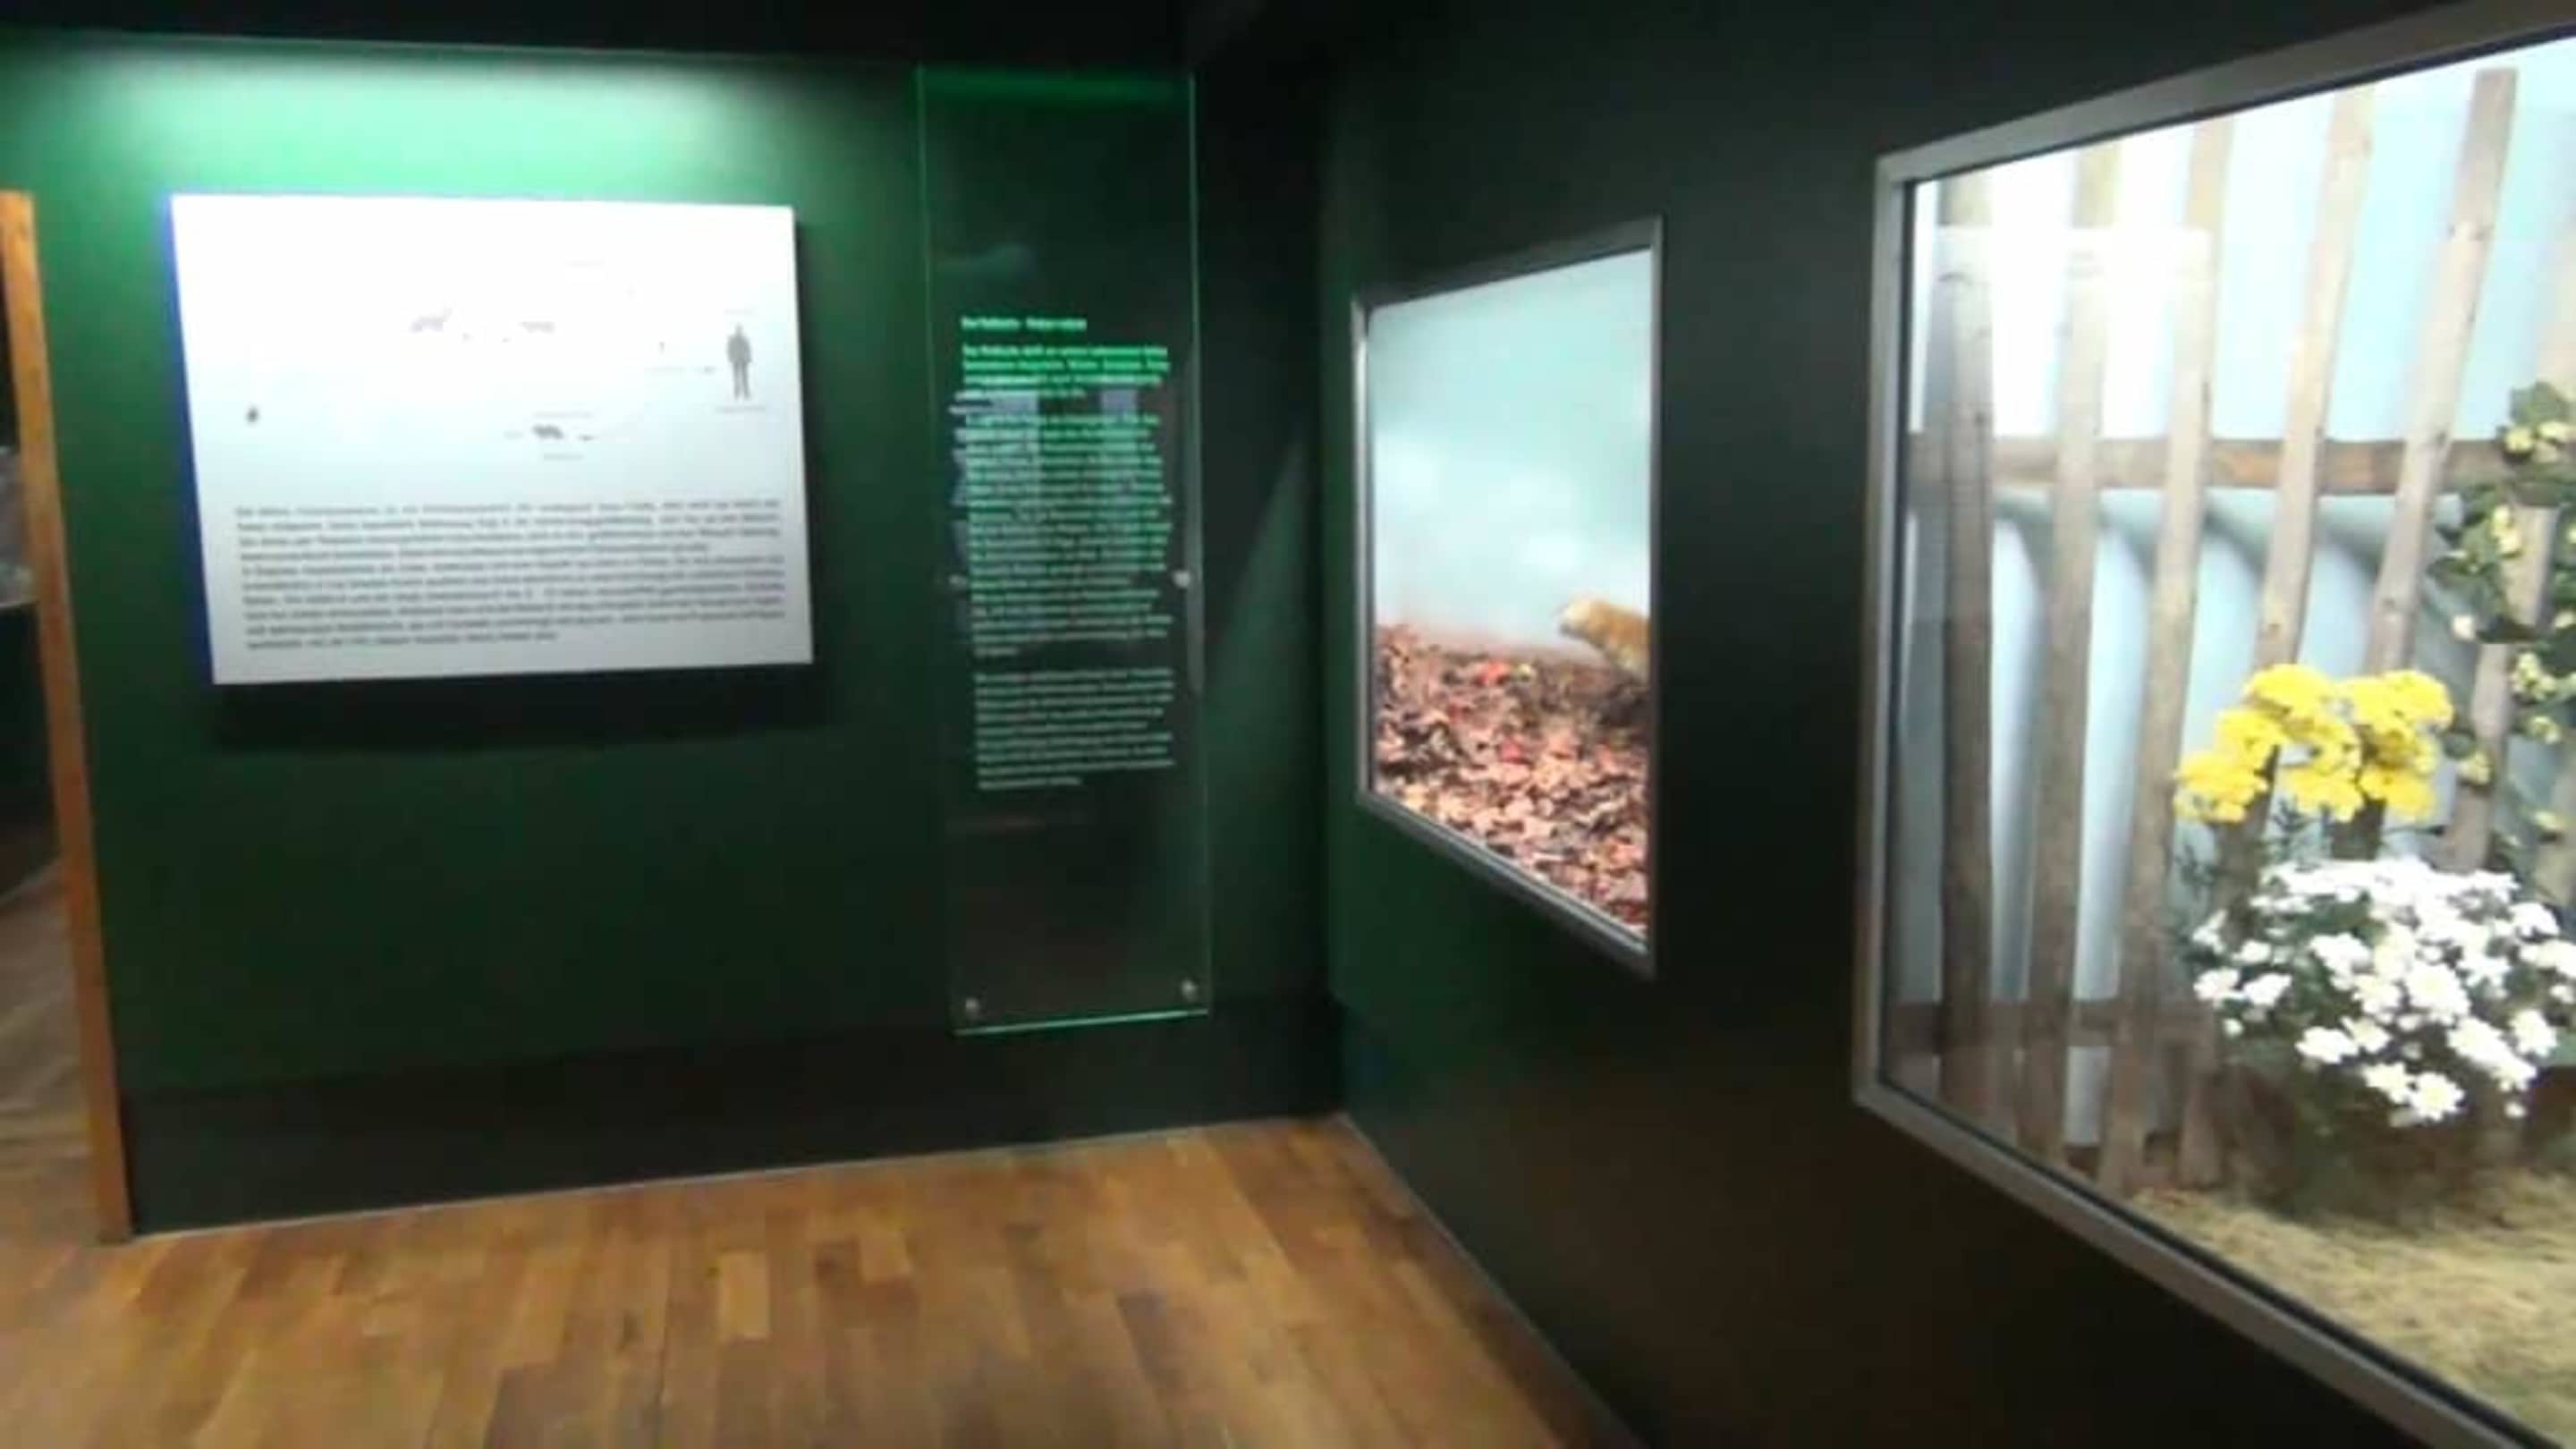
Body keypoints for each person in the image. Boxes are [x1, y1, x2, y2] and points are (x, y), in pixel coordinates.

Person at [725, 325, 752, 401]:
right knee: (737, 377)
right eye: (738, 330)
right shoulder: (733, 339)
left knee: (744, 377)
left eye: (740, 330)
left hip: (743, 360)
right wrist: (730, 358)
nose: (739, 331)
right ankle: (737, 393)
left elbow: (748, 349)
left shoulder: (744, 339)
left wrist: (749, 358)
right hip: (736, 360)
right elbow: (729, 349)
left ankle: (746, 393)